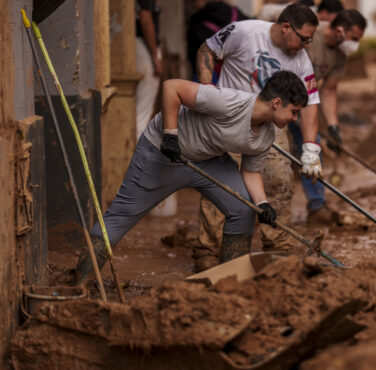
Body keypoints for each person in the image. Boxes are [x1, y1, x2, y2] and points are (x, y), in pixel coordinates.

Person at [72, 71, 309, 284]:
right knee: (121, 215)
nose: (295, 119)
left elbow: (251, 171)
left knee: (244, 209)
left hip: (209, 161)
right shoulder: (229, 101)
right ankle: (80, 282)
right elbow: (171, 87)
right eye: (294, 112)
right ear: (277, 103)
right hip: (163, 153)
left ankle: (231, 284)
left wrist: (262, 204)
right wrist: (170, 136)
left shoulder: (266, 135)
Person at [194, 3, 321, 271]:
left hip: (273, 127)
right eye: (304, 38)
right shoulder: (244, 32)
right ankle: (207, 253)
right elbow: (207, 49)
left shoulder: (300, 58)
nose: (306, 45)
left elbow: (310, 103)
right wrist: (207, 91)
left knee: (279, 184)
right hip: (229, 122)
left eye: (310, 40)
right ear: (286, 27)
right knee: (220, 186)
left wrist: (310, 148)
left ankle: (278, 249)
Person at [289, 9, 366, 223]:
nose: (356, 44)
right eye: (355, 38)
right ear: (340, 30)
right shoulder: (311, 35)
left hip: (304, 103)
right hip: (277, 99)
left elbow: (329, 90)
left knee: (314, 145)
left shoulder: (341, 53)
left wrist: (333, 127)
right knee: (273, 153)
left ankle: (316, 206)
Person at [186, 1, 249, 83]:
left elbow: (193, 56)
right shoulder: (236, 12)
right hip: (241, 72)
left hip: (213, 76)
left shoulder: (196, 22)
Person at [135, 0, 162, 137]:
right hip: (142, 46)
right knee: (143, 109)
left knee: (141, 107)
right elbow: (145, 19)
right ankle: (139, 150)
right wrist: (155, 56)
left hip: (139, 45)